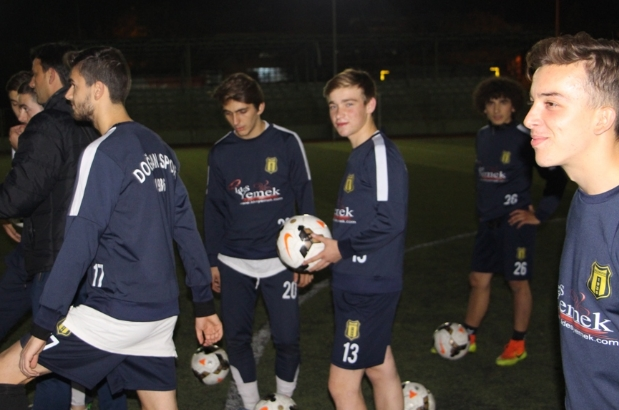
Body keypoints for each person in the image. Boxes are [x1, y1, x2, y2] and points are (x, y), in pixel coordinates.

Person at [0, 45, 223, 410]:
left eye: (74, 85)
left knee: (4, 374)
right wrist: (203, 304)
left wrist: (44, 324)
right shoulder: (160, 148)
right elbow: (185, 231)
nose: (68, 94)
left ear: (98, 89)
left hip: (113, 313)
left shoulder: (102, 151)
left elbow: (79, 242)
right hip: (160, 315)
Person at [204, 73, 315, 409]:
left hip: (279, 261)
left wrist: (306, 258)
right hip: (234, 261)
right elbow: (213, 209)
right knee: (236, 338)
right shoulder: (220, 152)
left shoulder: (286, 142)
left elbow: (305, 199)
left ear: (260, 107)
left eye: (242, 111)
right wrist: (212, 261)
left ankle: (284, 401)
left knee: (288, 339)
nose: (236, 121)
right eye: (228, 114)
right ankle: (252, 403)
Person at [524, 32, 619, 409]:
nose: (529, 118)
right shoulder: (585, 198)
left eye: (551, 103)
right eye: (533, 102)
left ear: (603, 118)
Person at [306, 68, 408, 410]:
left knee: (341, 386)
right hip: (356, 280)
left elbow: (391, 220)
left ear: (370, 104)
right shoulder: (359, 153)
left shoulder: (379, 152)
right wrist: (328, 242)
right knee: (379, 368)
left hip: (369, 285)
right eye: (333, 105)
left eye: (349, 103)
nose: (339, 113)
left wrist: (341, 248)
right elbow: (360, 218)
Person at [461, 76, 567, 366]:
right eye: (491, 103)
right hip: (487, 223)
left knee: (517, 282)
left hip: (515, 224)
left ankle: (518, 342)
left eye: (503, 102)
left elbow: (557, 178)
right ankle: (467, 336)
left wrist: (540, 214)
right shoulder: (482, 136)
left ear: (514, 106)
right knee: (478, 279)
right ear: (483, 107)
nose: (497, 109)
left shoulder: (525, 137)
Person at [0, 72, 40, 342]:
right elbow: (18, 189)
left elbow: (33, 187)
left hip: (50, 249)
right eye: (14, 105)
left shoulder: (49, 137)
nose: (19, 114)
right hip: (30, 247)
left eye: (23, 106)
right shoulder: (22, 135)